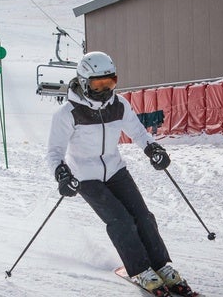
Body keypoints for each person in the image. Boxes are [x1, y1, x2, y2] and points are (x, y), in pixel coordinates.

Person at [45, 51, 193, 296]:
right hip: (85, 176)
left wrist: (152, 148)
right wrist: (62, 174)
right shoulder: (67, 113)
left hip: (115, 170)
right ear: (83, 82)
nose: (105, 90)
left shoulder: (118, 105)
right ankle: (141, 270)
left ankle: (161, 265)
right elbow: (54, 152)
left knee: (143, 216)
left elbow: (138, 132)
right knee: (121, 221)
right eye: (98, 84)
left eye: (110, 83)